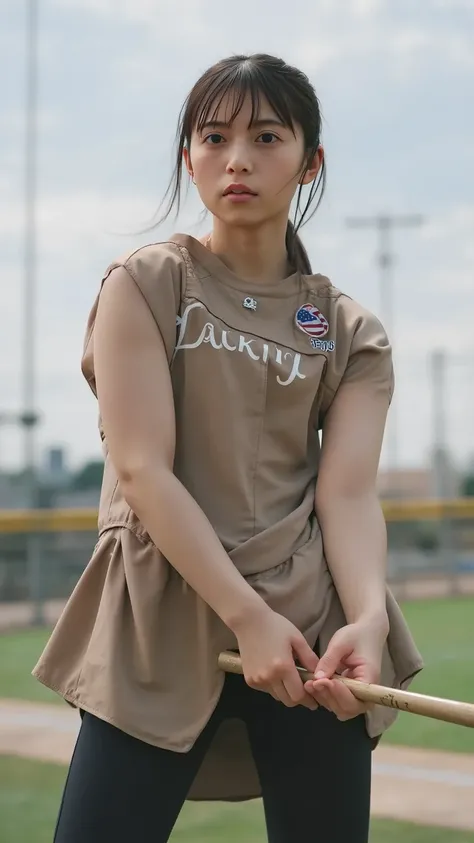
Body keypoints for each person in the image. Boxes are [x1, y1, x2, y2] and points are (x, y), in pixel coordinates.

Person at [33, 53, 423, 843]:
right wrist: (245, 615)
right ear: (189, 156)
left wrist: (369, 623)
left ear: (311, 162)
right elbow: (142, 469)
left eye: (267, 137)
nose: (236, 158)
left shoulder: (349, 331)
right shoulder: (144, 284)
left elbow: (346, 495)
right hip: (160, 624)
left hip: (311, 634)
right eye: (213, 137)